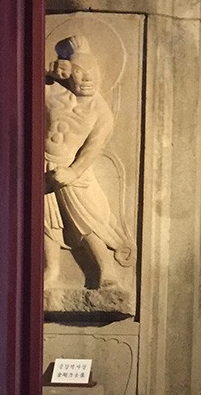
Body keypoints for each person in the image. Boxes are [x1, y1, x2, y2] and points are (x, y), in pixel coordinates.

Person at [44, 35, 134, 290]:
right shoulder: (53, 92)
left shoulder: (101, 111)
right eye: (79, 74)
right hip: (43, 164)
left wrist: (72, 172)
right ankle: (52, 270)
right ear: (67, 72)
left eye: (91, 74)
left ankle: (106, 269)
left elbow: (93, 149)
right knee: (46, 221)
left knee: (86, 220)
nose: (86, 80)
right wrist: (49, 69)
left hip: (74, 172)